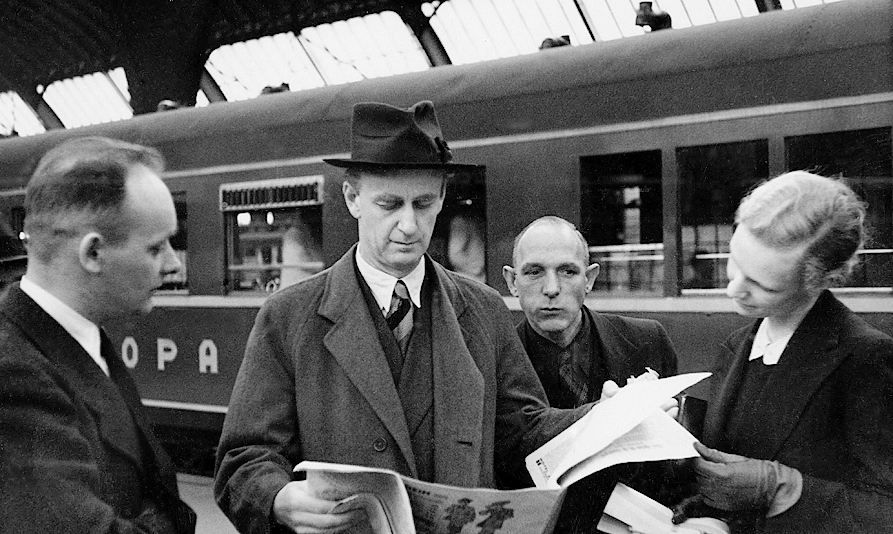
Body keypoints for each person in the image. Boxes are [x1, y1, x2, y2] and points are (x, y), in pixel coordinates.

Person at [213, 101, 597, 534]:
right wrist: (279, 498)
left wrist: (606, 416)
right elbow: (243, 461)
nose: (410, 225)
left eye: (423, 203)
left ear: (443, 198)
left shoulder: (485, 312)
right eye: (390, 204)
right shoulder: (288, 318)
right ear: (353, 198)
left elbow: (524, 435)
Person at [673, 171, 893, 533]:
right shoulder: (738, 345)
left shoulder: (866, 360)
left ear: (820, 280)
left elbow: (883, 509)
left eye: (761, 284)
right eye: (734, 263)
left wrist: (786, 490)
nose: (733, 290)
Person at [0, 136, 196, 533]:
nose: (174, 264)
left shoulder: (78, 341)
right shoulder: (13, 372)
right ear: (92, 253)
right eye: (156, 248)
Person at [502, 215, 680, 533]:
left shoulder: (647, 342)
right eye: (534, 272)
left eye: (568, 271)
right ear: (512, 282)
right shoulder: (494, 362)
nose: (551, 289)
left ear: (590, 278)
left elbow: (672, 469)